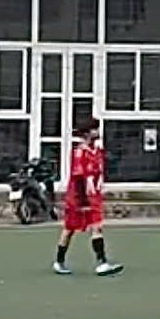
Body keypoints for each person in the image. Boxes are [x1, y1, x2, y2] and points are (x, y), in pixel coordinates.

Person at [53, 118, 123, 277]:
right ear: (87, 133)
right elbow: (79, 176)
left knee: (96, 226)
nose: (98, 132)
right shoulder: (80, 152)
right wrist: (82, 199)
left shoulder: (96, 150)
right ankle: (59, 261)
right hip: (78, 197)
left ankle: (102, 262)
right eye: (94, 129)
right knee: (69, 229)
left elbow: (98, 171)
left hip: (92, 197)